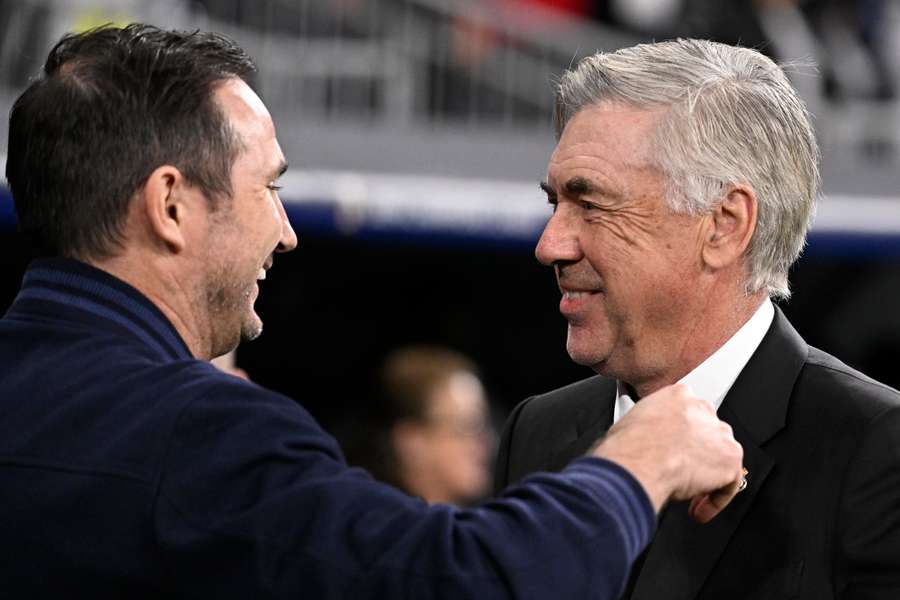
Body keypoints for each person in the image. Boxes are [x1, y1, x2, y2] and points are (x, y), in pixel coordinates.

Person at [0, 24, 744, 598]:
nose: (285, 233)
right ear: (170, 205)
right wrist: (644, 458)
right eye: (270, 188)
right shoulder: (196, 434)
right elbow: (465, 583)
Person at [494, 38, 900, 599]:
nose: (550, 244)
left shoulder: (878, 450)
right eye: (554, 204)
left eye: (591, 205)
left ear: (725, 225)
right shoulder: (537, 433)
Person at [345, 345, 494, 505]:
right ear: (412, 441)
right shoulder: (381, 524)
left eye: (482, 425)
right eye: (466, 426)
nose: (486, 443)